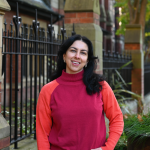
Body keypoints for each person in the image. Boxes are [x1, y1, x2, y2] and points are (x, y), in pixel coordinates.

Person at [36, 34, 124, 150]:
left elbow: (117, 118)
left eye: (83, 53)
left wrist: (107, 148)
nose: (77, 56)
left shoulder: (100, 86)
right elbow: (42, 133)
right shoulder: (48, 90)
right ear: (64, 56)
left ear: (87, 60)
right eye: (73, 51)